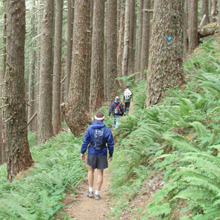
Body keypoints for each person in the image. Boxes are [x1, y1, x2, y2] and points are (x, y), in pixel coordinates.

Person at [81, 111, 114, 200]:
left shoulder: (90, 129)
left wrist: (82, 152)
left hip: (92, 152)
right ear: (103, 119)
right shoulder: (106, 130)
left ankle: (90, 191)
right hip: (102, 153)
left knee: (90, 171)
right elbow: (110, 143)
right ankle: (97, 193)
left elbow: (85, 141)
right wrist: (111, 154)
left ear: (94, 119)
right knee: (100, 173)